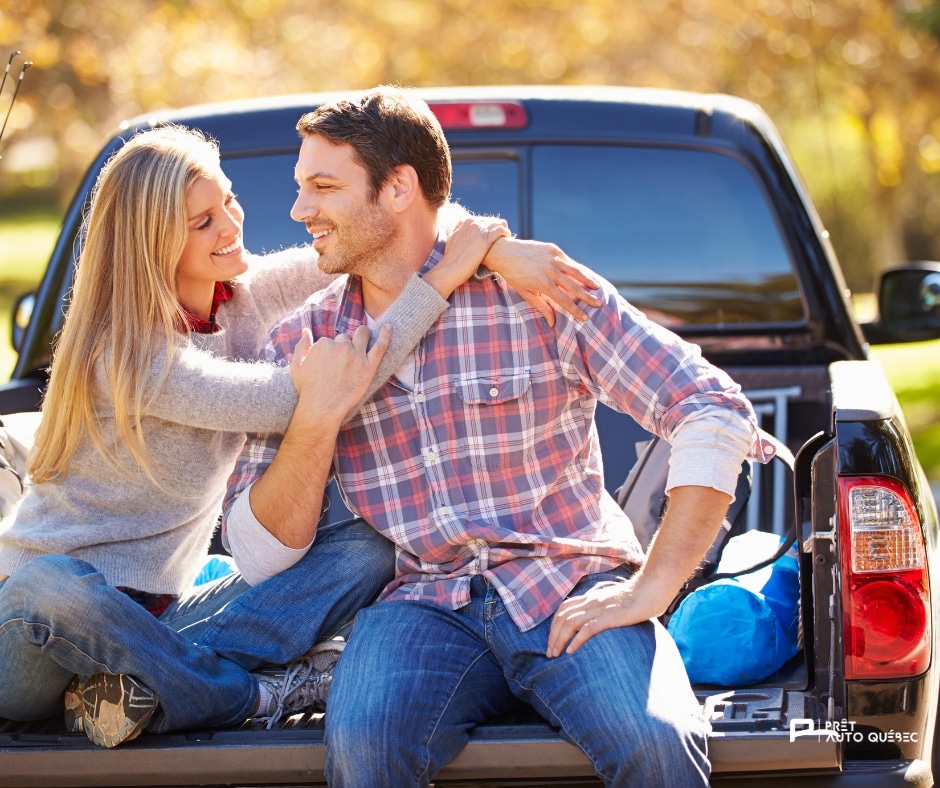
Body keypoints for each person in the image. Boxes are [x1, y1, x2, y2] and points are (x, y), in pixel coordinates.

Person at [223, 87, 774, 788]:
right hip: (423, 600)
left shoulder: (536, 291)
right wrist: (318, 418)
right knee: (363, 745)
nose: (300, 211)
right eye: (301, 188)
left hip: (567, 582)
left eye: (323, 187)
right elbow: (259, 554)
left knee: (657, 741)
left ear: (399, 189)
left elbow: (710, 405)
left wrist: (654, 585)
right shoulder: (303, 339)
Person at [0, 125, 599, 748]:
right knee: (52, 583)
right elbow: (311, 399)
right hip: (30, 634)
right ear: (152, 242)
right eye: (202, 222)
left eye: (227, 201)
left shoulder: (247, 294)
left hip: (164, 621)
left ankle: (137, 690)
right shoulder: (127, 356)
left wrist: (494, 251)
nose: (231, 225)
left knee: (369, 538)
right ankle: (243, 695)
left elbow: (399, 222)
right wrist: (443, 281)